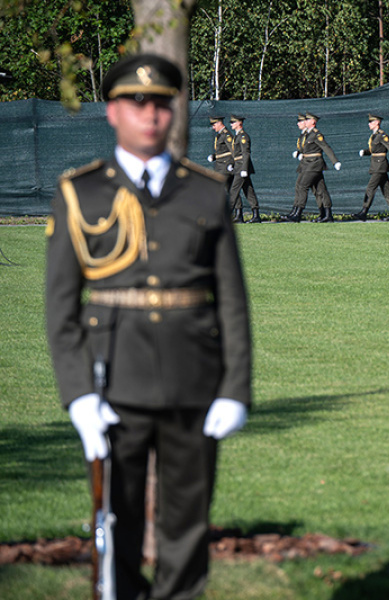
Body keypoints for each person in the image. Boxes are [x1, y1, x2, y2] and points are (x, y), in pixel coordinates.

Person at [45, 53, 251, 600]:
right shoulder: (80, 193)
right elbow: (61, 310)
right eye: (137, 103)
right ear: (113, 112)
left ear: (173, 112)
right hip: (114, 382)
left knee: (187, 526)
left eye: (160, 103)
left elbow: (232, 301)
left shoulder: (206, 191)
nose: (150, 114)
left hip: (193, 382)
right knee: (119, 521)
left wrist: (234, 390)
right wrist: (78, 396)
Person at [285, 112, 340, 223]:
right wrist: (299, 153)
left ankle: (298, 213)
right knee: (319, 190)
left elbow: (326, 147)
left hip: (314, 164)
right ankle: (325, 214)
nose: (304, 122)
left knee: (303, 186)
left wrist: (335, 161)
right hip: (307, 164)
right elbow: (306, 149)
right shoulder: (307, 135)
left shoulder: (316, 134)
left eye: (307, 120)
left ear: (313, 122)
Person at [351, 114, 389, 222]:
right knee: (386, 189)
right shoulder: (374, 136)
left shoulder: (381, 135)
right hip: (376, 165)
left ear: (377, 123)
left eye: (371, 122)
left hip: (380, 166)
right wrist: (365, 152)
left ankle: (364, 212)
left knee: (370, 188)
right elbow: (374, 150)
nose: (369, 124)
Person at [228, 115, 261, 223]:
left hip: (241, 167)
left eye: (233, 122)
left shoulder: (243, 136)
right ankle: (255, 215)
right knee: (248, 190)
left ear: (239, 123)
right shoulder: (237, 136)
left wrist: (244, 169)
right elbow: (235, 154)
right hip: (238, 166)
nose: (231, 124)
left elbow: (246, 153)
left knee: (234, 190)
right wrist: (232, 164)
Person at [206, 115, 234, 198]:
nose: (213, 127)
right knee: (229, 190)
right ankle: (236, 206)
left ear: (219, 123)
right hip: (220, 166)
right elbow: (222, 151)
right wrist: (214, 156)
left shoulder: (226, 135)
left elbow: (233, 150)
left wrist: (232, 164)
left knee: (219, 187)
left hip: (225, 166)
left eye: (214, 125)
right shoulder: (220, 135)